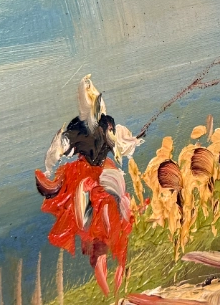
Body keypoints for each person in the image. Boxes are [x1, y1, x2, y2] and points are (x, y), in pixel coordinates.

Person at [34, 75, 141, 297]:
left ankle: (112, 288)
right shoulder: (98, 124)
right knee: (102, 234)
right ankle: (111, 289)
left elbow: (59, 151)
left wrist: (49, 168)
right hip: (96, 175)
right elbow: (119, 146)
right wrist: (131, 143)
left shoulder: (91, 124)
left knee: (101, 234)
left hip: (92, 176)